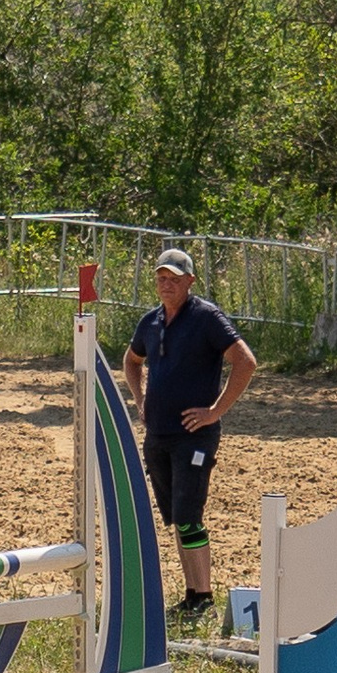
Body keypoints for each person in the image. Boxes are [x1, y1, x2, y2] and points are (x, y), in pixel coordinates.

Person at [122, 247, 259, 623]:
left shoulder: (206, 318)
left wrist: (215, 411)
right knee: (176, 519)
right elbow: (131, 361)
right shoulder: (150, 322)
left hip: (194, 435)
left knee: (189, 515)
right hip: (159, 435)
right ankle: (191, 593)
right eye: (161, 279)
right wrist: (140, 399)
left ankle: (205, 596)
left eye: (174, 279)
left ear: (190, 282)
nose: (166, 285)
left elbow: (245, 362)